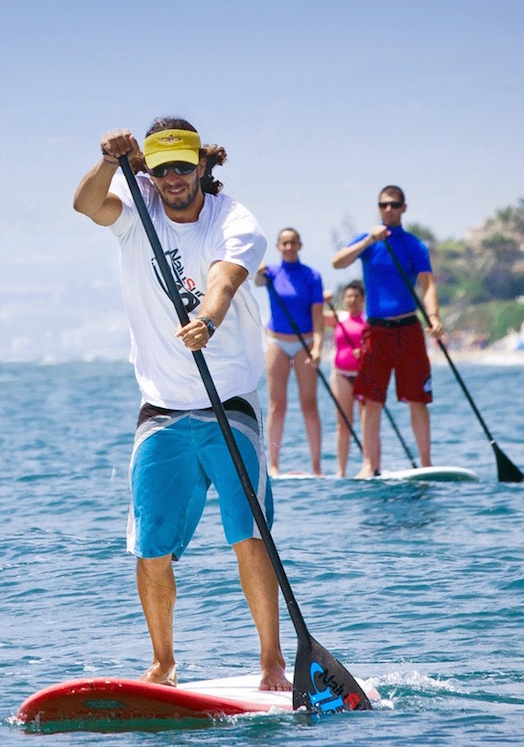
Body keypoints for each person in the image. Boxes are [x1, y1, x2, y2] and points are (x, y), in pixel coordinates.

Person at [73, 117, 290, 692]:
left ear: (202, 167)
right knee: (150, 545)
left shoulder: (235, 220)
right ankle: (164, 663)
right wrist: (106, 161)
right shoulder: (136, 208)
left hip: (228, 404)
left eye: (182, 167)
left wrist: (209, 318)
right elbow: (85, 204)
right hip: (161, 408)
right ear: (150, 169)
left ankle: (272, 661)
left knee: (249, 534)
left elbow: (224, 277)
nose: (172, 179)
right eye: (161, 167)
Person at [331, 185, 444, 478]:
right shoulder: (369, 242)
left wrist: (433, 316)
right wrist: (369, 238)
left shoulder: (415, 245)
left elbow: (428, 285)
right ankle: (370, 465)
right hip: (376, 330)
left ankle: (426, 462)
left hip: (408, 328)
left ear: (404, 208)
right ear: (379, 208)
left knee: (418, 398)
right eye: (383, 205)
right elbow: (338, 261)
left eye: (394, 205)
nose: (389, 210)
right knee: (372, 400)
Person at [254, 229, 324, 477]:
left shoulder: (312, 276)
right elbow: (257, 281)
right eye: (284, 243)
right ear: (278, 246)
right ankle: (273, 465)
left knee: (309, 405)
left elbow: (318, 318)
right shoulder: (271, 273)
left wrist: (317, 346)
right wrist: (257, 268)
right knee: (277, 406)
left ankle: (316, 467)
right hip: (277, 342)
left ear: (300, 245)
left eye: (293, 242)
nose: (289, 246)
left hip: (304, 343)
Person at [323, 280, 366, 476]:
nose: (352, 300)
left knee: (367, 423)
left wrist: (364, 352)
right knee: (343, 424)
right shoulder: (339, 317)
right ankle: (341, 471)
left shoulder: (369, 320)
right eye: (348, 296)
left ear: (363, 299)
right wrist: (324, 300)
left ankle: (371, 465)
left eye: (356, 296)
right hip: (340, 374)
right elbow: (315, 315)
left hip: (364, 375)